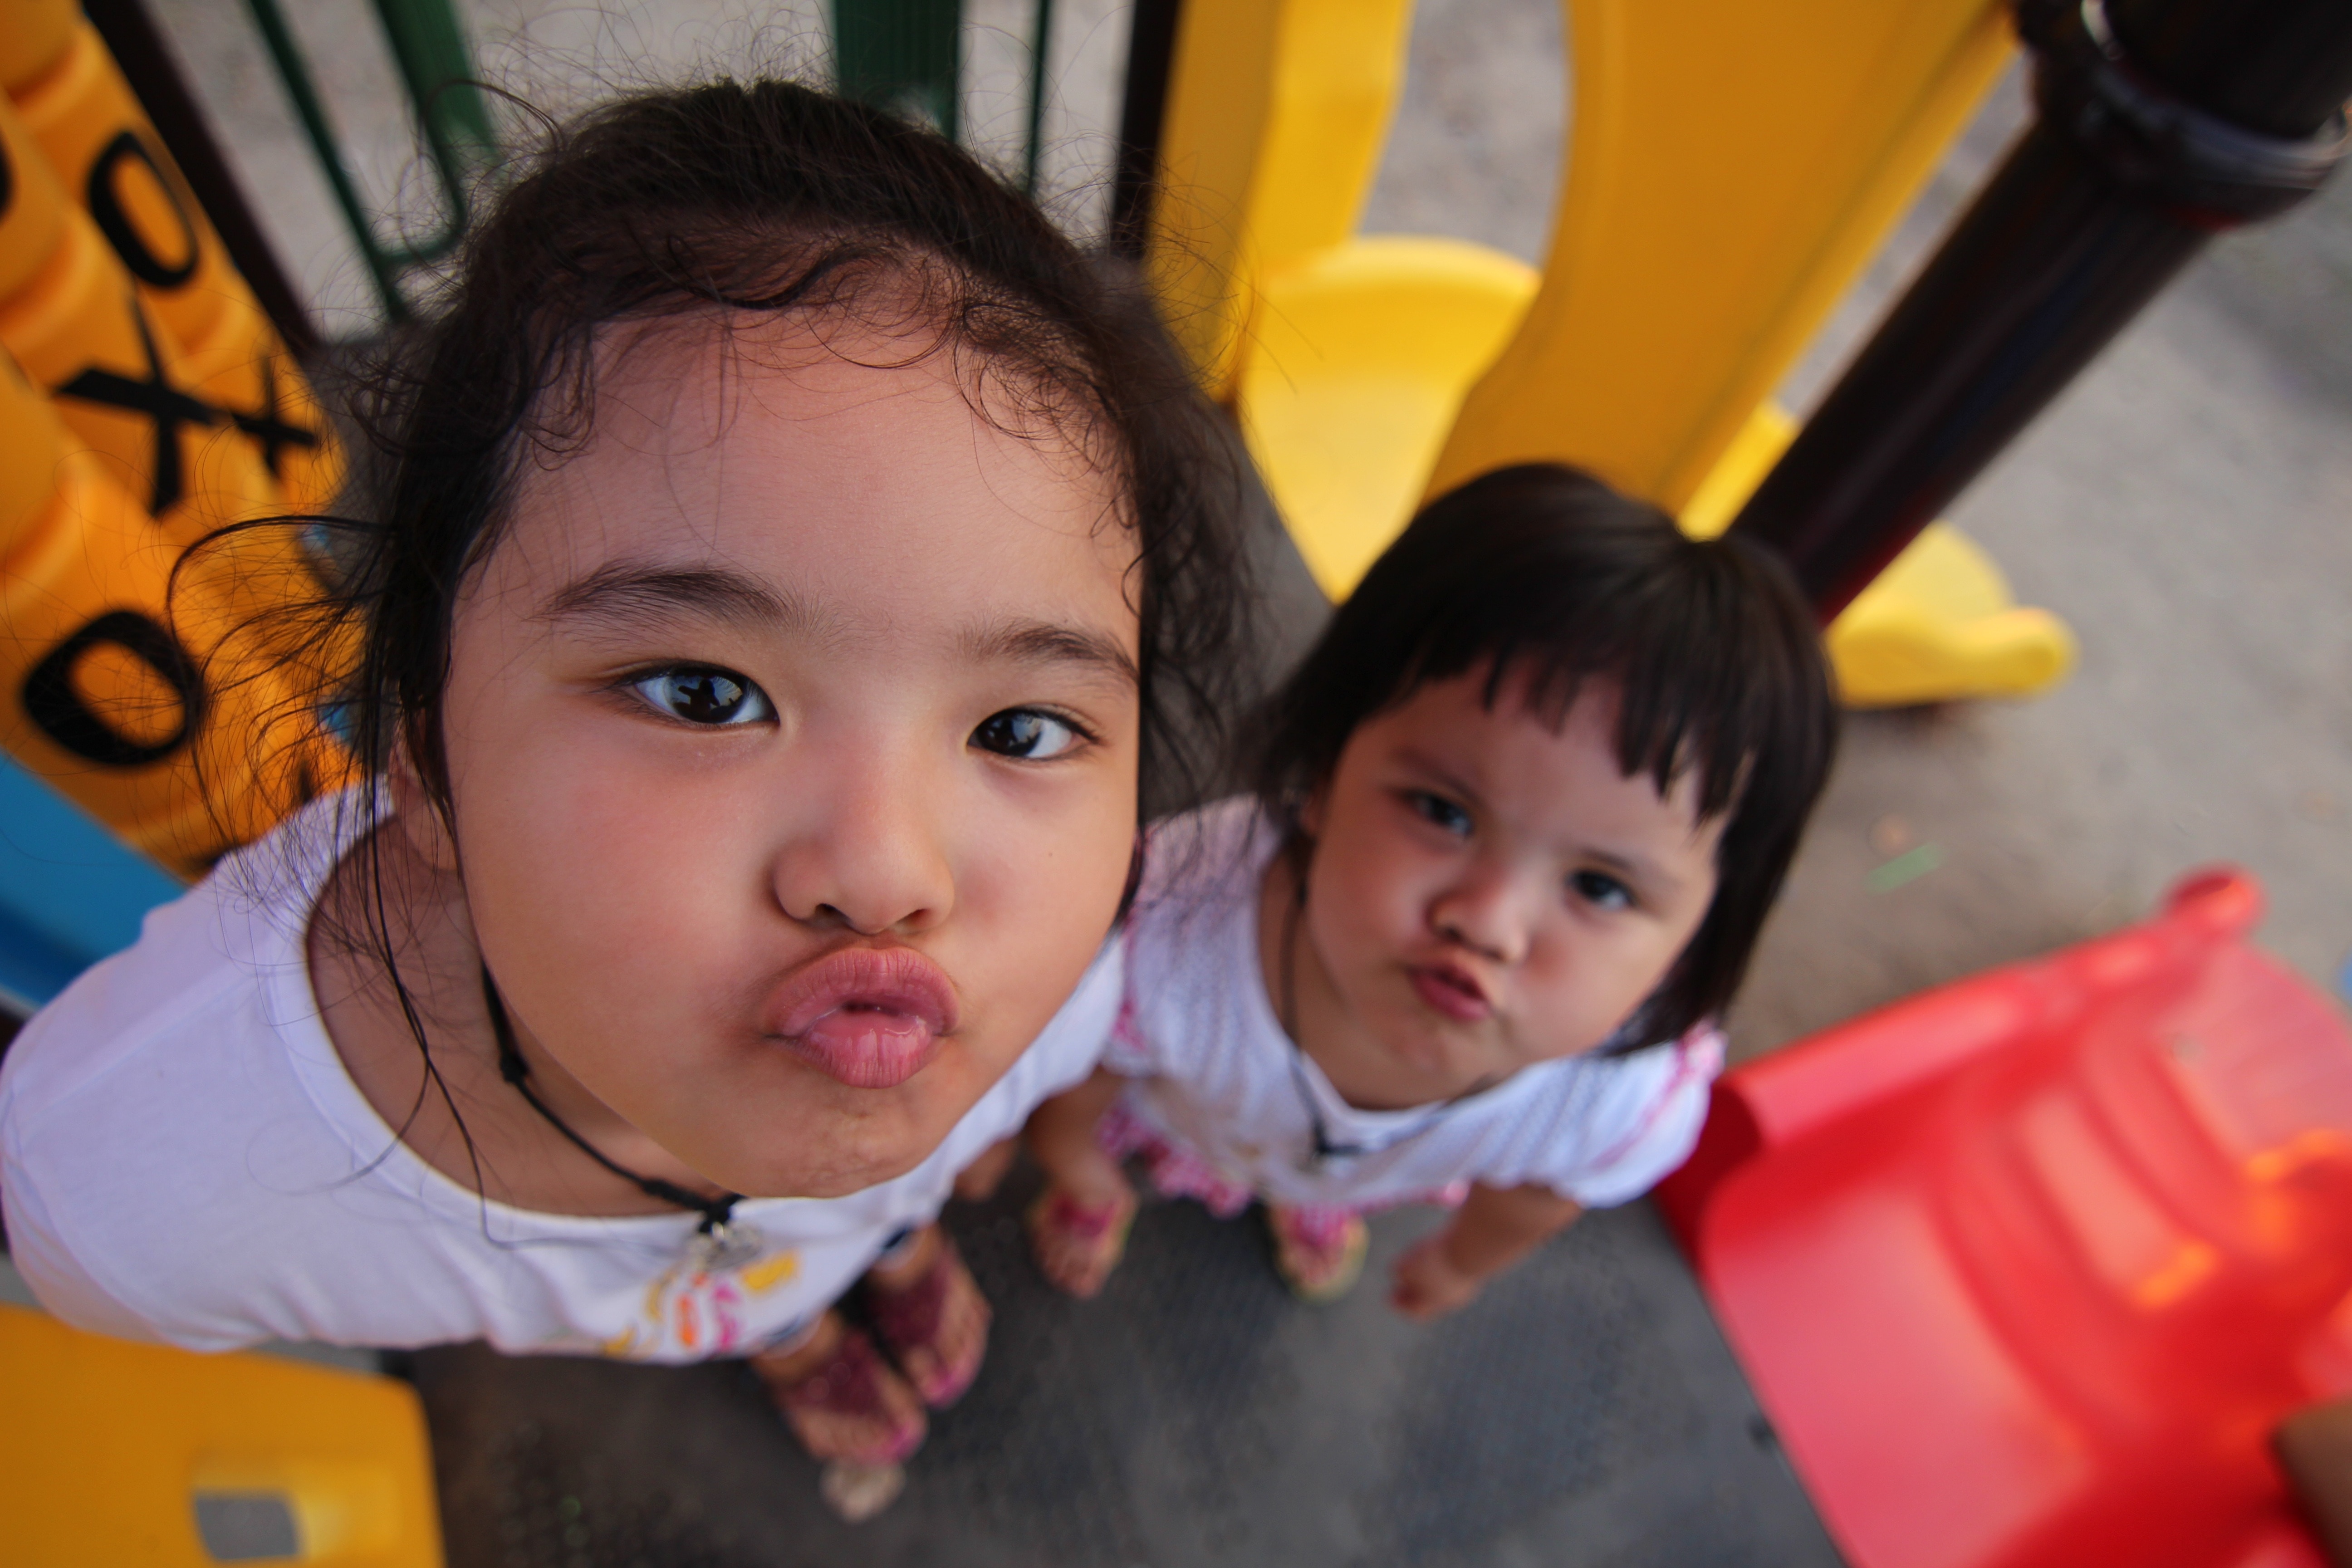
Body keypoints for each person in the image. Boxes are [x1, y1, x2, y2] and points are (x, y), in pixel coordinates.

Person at [0, 78, 1253, 1511]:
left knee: (857, 1205)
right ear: (423, 751)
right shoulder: (137, 1186)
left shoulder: (1077, 956)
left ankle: (865, 1258)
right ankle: (779, 1330)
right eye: (706, 695)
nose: (893, 872)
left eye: (1024, 728)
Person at [1021, 464, 1835, 1314]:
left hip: (1364, 1169)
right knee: (1132, 1149)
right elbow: (1095, 1060)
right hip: (1184, 1112)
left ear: (1699, 933)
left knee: (1323, 1179)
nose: (1488, 923)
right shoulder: (1171, 927)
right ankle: (1107, 1194)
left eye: (1600, 886)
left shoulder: (1613, 1096)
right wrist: (1073, 1157)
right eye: (1444, 813)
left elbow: (1537, 1195)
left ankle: (1312, 1198)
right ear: (1327, 769)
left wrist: (1461, 1264)